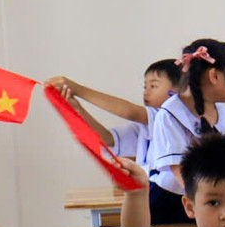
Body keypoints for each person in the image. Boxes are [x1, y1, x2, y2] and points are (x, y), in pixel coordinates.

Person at [145, 38, 225, 226]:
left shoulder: (223, 114)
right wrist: (208, 203)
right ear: (214, 76)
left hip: (209, 200)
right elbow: (180, 170)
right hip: (173, 202)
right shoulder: (170, 114)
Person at [46, 57, 182, 162]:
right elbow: (108, 140)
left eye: (153, 86)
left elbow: (130, 112)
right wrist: (77, 108)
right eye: (144, 87)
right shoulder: (142, 128)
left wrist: (78, 90)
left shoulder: (171, 118)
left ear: (179, 90)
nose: (146, 92)